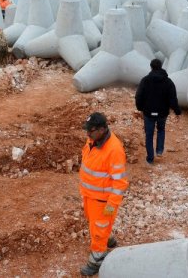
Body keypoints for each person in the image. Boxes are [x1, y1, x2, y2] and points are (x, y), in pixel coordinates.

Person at [78, 112, 128, 276]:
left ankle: (96, 261)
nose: (87, 134)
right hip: (90, 195)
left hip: (103, 201)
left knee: (98, 230)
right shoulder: (93, 139)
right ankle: (107, 239)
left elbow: (120, 183)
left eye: (90, 131)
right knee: (95, 223)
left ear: (101, 129)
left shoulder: (114, 150)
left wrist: (111, 206)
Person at [135, 58, 181, 165]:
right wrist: (177, 111)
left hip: (148, 112)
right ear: (161, 67)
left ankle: (150, 159)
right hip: (162, 113)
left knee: (149, 135)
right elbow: (173, 98)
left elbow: (138, 96)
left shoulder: (145, 80)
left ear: (151, 67)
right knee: (161, 130)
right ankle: (159, 150)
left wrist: (140, 108)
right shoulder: (168, 82)